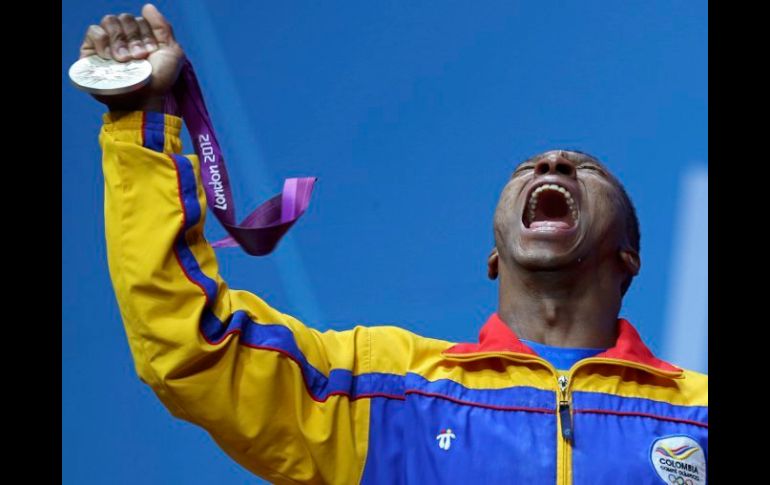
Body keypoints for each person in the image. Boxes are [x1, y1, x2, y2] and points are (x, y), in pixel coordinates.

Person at [83, 4, 708, 484]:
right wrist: (143, 121)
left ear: (629, 258)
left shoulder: (697, 416)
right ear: (494, 256)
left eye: (585, 170)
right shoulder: (385, 389)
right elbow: (196, 340)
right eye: (529, 168)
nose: (552, 164)